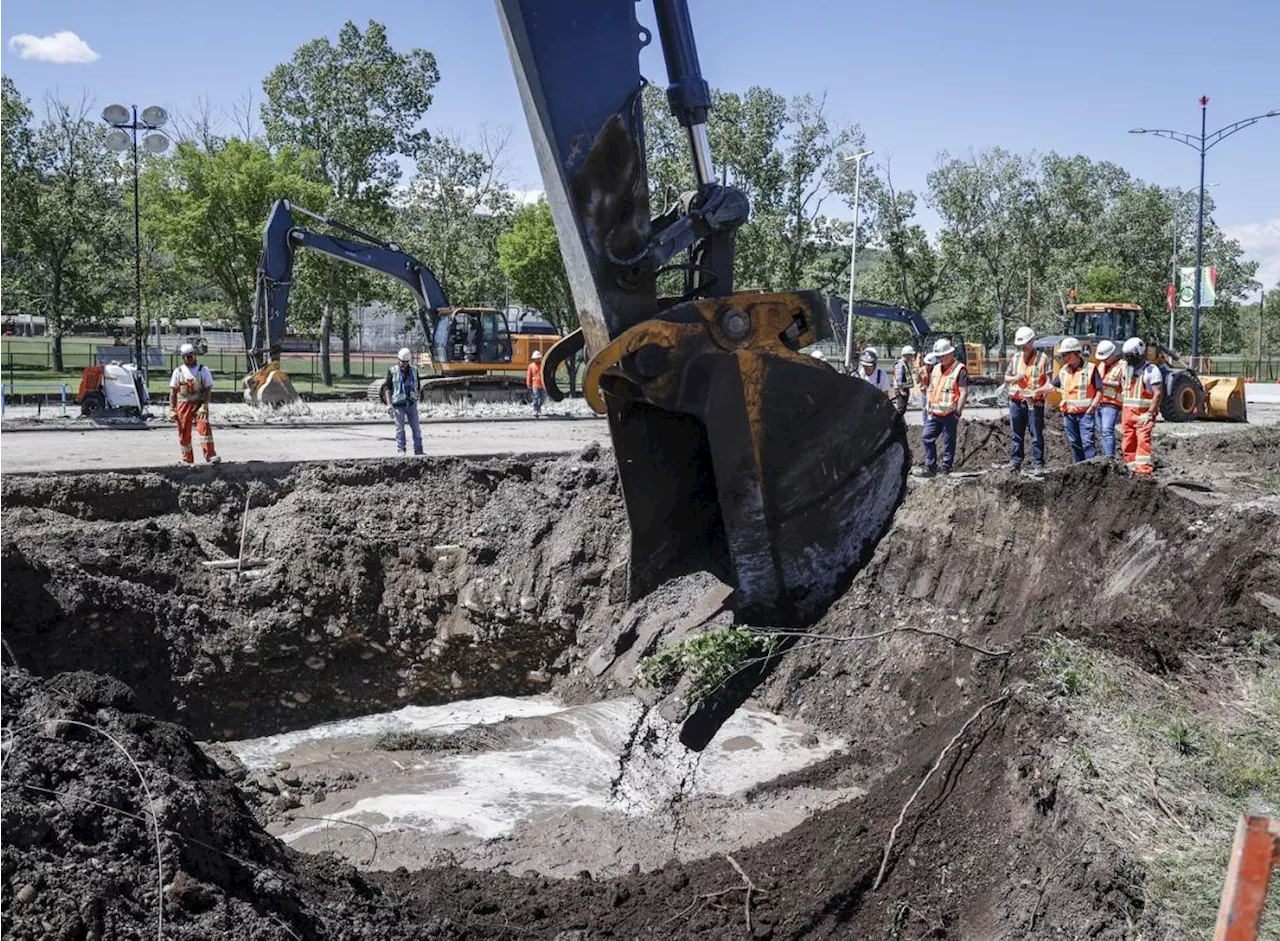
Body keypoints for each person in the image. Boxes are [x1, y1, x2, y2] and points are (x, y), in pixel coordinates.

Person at [1004, 325, 1051, 473]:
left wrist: (1037, 392)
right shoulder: (1016, 357)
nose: (1022, 348)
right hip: (1016, 402)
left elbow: (1050, 384)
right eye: (1020, 346)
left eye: (1024, 345)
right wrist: (1014, 378)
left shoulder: (1043, 359)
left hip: (1034, 403)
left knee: (1036, 434)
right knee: (1016, 434)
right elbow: (1006, 378)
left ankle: (1037, 463)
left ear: (1031, 342)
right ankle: (1016, 461)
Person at [921, 338, 968, 476]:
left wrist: (958, 412)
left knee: (949, 441)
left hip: (949, 413)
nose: (940, 359)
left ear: (950, 354)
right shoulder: (935, 369)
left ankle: (946, 466)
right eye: (939, 356)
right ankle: (931, 466)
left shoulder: (959, 369)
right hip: (934, 412)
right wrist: (928, 403)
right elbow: (931, 388)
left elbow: (963, 392)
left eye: (942, 356)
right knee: (927, 437)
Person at [1051, 337, 1101, 463]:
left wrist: (1093, 407)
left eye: (1066, 354)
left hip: (1085, 413)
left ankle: (1092, 467)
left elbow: (1100, 389)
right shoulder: (1063, 371)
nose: (1064, 357)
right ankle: (1078, 468)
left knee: (1087, 443)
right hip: (1069, 414)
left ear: (1076, 353)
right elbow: (1052, 385)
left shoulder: (1090, 368)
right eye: (1063, 355)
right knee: (1074, 443)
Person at [168, 342, 219, 465]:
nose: (187, 359)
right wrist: (172, 409)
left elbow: (208, 389)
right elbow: (173, 391)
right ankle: (187, 459)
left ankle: (210, 455)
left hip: (198, 404)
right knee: (184, 432)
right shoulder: (178, 371)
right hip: (183, 405)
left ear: (195, 355)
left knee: (204, 427)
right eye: (185, 357)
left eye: (190, 356)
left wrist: (205, 406)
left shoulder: (203, 370)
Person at [1120, 337, 1163, 477]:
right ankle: (1131, 471)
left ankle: (1144, 473)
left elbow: (1158, 393)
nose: (1129, 360)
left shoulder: (1151, 370)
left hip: (1143, 415)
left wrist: (1150, 413)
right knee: (1127, 444)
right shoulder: (1126, 369)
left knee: (1143, 444)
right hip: (1128, 415)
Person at [387, 347, 423, 455]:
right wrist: (389, 404)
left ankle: (419, 450)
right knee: (400, 429)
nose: (404, 364)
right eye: (403, 362)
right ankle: (401, 449)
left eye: (406, 362)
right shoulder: (393, 371)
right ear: (399, 360)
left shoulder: (414, 371)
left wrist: (417, 398)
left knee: (416, 428)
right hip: (399, 404)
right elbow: (388, 388)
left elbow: (418, 387)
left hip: (411, 403)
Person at [1095, 340, 1124, 458]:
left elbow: (1122, 384)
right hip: (1100, 402)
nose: (1103, 361)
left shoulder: (1122, 366)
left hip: (1112, 403)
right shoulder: (1101, 365)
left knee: (1107, 431)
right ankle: (1105, 456)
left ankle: (1109, 457)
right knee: (1101, 432)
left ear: (1112, 355)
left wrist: (1103, 383)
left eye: (1106, 358)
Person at [890, 344, 915, 415]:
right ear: (906, 355)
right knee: (901, 409)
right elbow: (899, 378)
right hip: (901, 389)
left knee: (902, 409)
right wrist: (901, 391)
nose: (912, 357)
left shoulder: (904, 364)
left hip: (904, 388)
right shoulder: (900, 364)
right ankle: (893, 423)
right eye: (911, 355)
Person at [526, 349, 546, 416]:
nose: (536, 359)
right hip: (535, 384)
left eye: (537, 358)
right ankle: (535, 409)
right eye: (535, 358)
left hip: (543, 384)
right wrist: (528, 384)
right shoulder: (531, 366)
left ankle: (539, 407)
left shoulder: (543, 365)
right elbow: (529, 375)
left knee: (543, 398)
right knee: (536, 397)